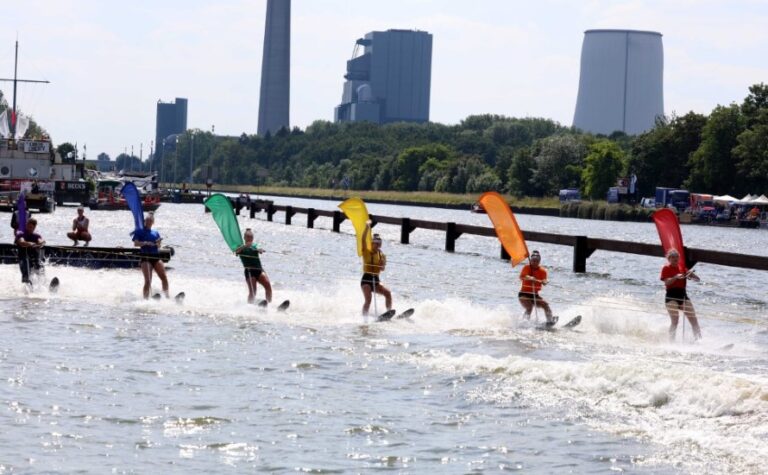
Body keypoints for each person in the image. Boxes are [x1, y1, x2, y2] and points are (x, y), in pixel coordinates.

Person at [660, 248, 702, 341]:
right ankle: (671, 342)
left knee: (694, 320)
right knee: (675, 321)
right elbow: (667, 283)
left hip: (683, 295)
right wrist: (675, 277)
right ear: (669, 259)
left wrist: (692, 275)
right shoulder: (666, 268)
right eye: (673, 258)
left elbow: (697, 279)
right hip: (671, 296)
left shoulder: (682, 267)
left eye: (677, 258)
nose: (675, 259)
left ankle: (699, 341)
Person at [133, 213, 169, 299]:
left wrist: (158, 243)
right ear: (144, 221)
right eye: (147, 220)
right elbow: (135, 243)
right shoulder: (139, 231)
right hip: (145, 257)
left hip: (155, 257)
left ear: (153, 222)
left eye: (150, 221)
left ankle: (167, 297)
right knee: (148, 280)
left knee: (164, 277)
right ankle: (146, 299)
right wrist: (145, 243)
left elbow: (159, 246)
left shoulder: (155, 232)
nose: (148, 222)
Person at [360, 221, 392, 316]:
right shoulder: (366, 252)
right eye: (375, 244)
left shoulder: (382, 255)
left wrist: (382, 265)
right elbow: (362, 239)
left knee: (388, 293)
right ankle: (364, 318)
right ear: (372, 243)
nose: (377, 246)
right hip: (366, 279)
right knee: (368, 300)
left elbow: (382, 269)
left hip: (376, 279)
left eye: (379, 244)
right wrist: (367, 227)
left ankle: (389, 313)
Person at [234, 228, 273, 304]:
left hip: (259, 270)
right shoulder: (241, 247)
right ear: (244, 238)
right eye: (248, 237)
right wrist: (245, 246)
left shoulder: (255, 246)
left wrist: (260, 250)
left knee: (268, 286)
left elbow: (258, 248)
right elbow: (236, 251)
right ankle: (249, 306)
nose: (250, 239)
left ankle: (269, 304)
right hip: (249, 271)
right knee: (253, 292)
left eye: (251, 238)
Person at [518, 250, 556, 324]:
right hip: (524, 294)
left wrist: (545, 282)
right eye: (533, 261)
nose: (534, 263)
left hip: (534, 294)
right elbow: (523, 276)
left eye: (536, 261)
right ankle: (524, 323)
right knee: (529, 307)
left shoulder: (543, 271)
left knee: (546, 305)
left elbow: (544, 280)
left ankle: (550, 321)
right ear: (531, 261)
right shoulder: (527, 267)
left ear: (539, 262)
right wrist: (530, 277)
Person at [15, 217, 45, 284]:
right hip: (23, 257)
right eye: (28, 226)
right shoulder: (20, 234)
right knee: (26, 267)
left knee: (39, 265)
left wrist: (41, 243)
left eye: (31, 227)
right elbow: (22, 242)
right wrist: (30, 243)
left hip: (34, 257)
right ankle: (26, 284)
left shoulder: (36, 236)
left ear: (34, 227)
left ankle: (43, 283)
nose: (29, 228)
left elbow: (41, 241)